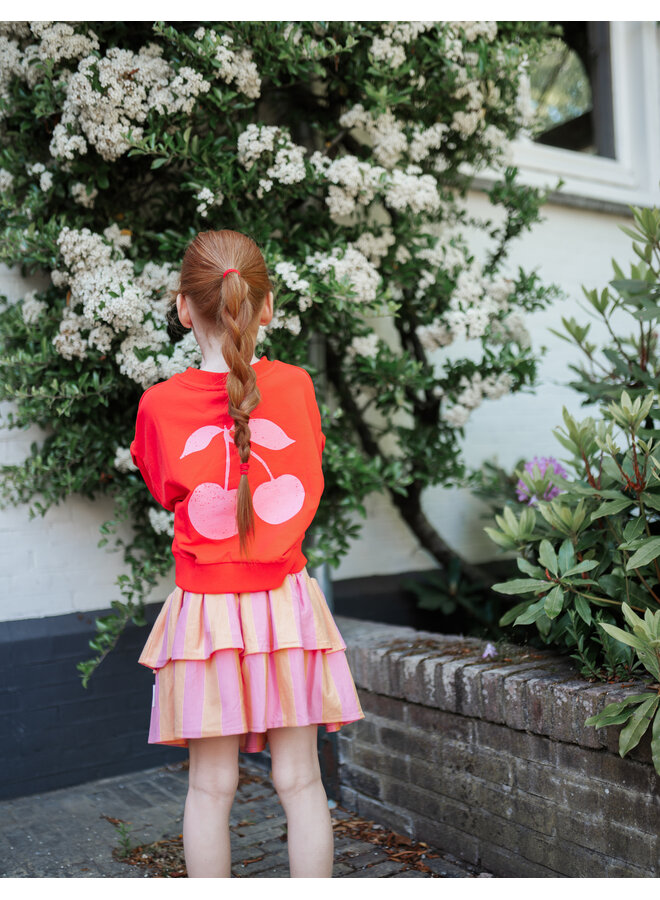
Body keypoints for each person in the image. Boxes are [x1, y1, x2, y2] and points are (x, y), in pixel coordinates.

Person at [129, 229, 364, 878]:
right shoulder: (297, 388)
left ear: (183, 308)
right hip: (286, 610)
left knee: (210, 789)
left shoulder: (158, 407)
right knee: (301, 781)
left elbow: (161, 486)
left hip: (207, 617)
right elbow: (310, 476)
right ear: (266, 307)